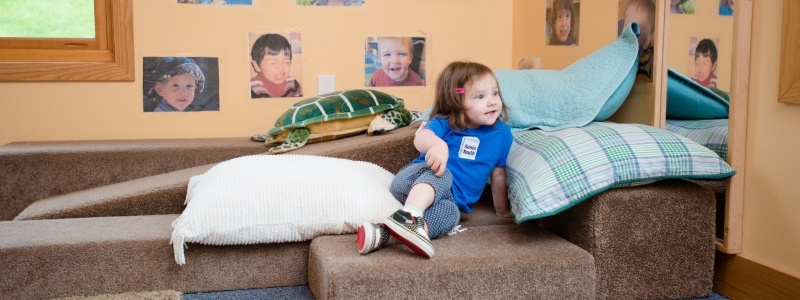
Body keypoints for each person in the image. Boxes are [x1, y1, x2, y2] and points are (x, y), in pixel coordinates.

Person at [357, 61, 514, 258]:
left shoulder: (503, 134)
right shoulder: (444, 123)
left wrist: (502, 210)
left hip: (449, 201)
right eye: (480, 96)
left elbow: (499, 175)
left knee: (452, 214)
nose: (492, 101)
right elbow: (420, 138)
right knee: (444, 173)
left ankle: (386, 234)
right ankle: (410, 214)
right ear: (456, 100)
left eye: (495, 93)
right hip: (414, 183)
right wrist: (437, 145)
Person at [250, 33, 303, 98]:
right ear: (257, 66)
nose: (281, 67)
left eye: (286, 62)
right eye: (272, 63)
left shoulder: (293, 85)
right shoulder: (251, 89)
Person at [623, 0, 656, 80]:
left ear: (646, 42)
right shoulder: (620, 52)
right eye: (626, 26)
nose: (628, 33)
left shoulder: (643, 70)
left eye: (634, 28)